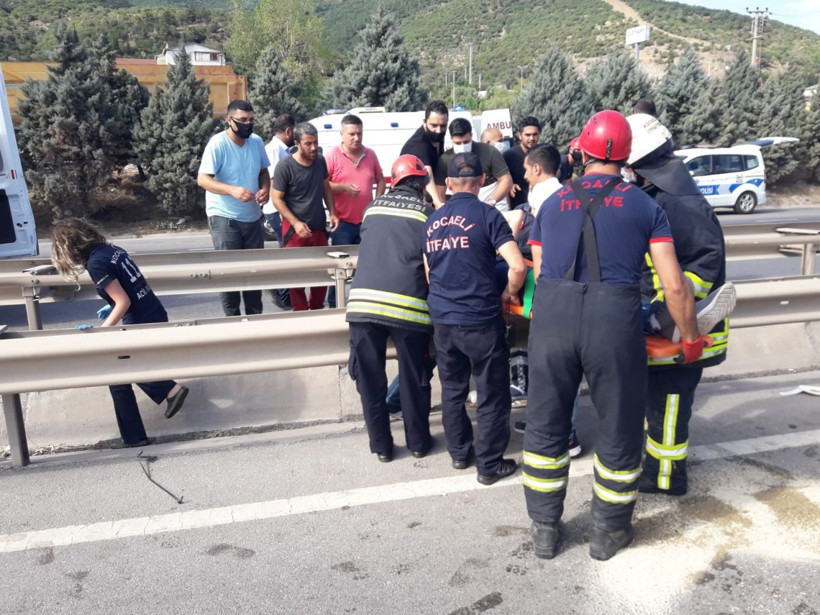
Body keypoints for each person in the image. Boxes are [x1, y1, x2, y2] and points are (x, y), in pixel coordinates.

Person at [523, 110, 706, 561]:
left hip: (552, 317)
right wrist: (690, 338)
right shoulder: (647, 207)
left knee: (546, 424)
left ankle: (545, 529)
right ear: (627, 157)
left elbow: (543, 270)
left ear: (581, 151)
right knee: (619, 428)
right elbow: (676, 285)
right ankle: (607, 533)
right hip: (614, 320)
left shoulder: (550, 204)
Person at [625, 113, 735, 496]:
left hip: (683, 327)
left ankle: (667, 478)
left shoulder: (681, 205)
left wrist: (661, 313)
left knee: (669, 407)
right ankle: (657, 464)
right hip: (667, 324)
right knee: (657, 405)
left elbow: (702, 269)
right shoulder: (663, 196)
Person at [424, 152, 527, 485]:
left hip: (443, 318)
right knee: (491, 392)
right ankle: (489, 464)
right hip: (481, 318)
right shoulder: (488, 216)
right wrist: (508, 294)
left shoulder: (432, 221)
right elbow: (517, 266)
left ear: (449, 185)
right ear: (484, 181)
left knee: (452, 390)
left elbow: (429, 273)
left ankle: (459, 453)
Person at [50, 219, 189, 448]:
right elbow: (131, 286)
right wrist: (112, 307)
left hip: (139, 320)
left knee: (119, 368)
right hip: (152, 311)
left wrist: (104, 331)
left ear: (69, 249)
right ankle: (134, 437)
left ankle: (171, 390)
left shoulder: (96, 264)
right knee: (116, 377)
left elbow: (122, 301)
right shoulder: (111, 250)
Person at [346, 154, 434, 462]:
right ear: (422, 185)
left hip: (363, 306)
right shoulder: (427, 213)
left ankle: (382, 447)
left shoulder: (371, 209)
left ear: (393, 183)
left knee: (370, 382)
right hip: (408, 308)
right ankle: (419, 443)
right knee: (414, 380)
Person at [508, 144, 583, 458]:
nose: (524, 175)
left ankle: (565, 435)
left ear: (537, 169)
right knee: (557, 366)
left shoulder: (542, 198)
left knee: (555, 367)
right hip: (567, 288)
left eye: (526, 169)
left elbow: (540, 253)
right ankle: (556, 427)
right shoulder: (569, 195)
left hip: (551, 292)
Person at [198, 99, 271, 317]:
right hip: (224, 217)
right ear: (229, 120)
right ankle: (232, 321)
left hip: (252, 217)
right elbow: (203, 179)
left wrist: (265, 189)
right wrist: (232, 190)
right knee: (228, 273)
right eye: (243, 120)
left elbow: (263, 172)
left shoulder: (256, 141)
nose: (248, 124)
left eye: (251, 120)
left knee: (253, 271)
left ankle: (254, 319)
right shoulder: (217, 143)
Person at [272, 122, 339, 311]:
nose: (313, 147)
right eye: (308, 143)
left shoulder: (320, 161)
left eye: (315, 143)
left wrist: (332, 212)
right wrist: (295, 222)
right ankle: (301, 315)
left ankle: (317, 310)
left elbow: (326, 187)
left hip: (318, 228)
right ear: (297, 143)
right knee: (297, 277)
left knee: (322, 276)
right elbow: (276, 199)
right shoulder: (285, 166)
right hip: (294, 231)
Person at [325, 114, 386, 307]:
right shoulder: (333, 156)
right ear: (341, 134)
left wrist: (377, 203)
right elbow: (323, 184)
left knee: (365, 266)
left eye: (359, 133)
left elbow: (381, 179)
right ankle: (335, 305)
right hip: (342, 223)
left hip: (366, 223)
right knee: (339, 267)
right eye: (351, 134)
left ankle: (360, 303)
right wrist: (343, 188)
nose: (356, 138)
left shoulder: (370, 155)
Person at [436, 118, 513, 211]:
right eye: (458, 143)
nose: (462, 146)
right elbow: (440, 193)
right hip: (462, 207)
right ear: (451, 140)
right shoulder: (445, 159)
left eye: (466, 142)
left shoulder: (489, 151)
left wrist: (492, 201)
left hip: (494, 204)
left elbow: (506, 180)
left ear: (471, 136)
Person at [263, 113, 296, 310]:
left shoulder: (280, 149)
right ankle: (282, 293)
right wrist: (284, 210)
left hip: (278, 209)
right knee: (288, 252)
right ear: (288, 131)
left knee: (288, 250)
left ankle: (283, 291)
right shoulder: (275, 150)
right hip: (277, 210)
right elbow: (275, 182)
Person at [400, 100, 449, 208]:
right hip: (409, 201)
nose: (438, 130)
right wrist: (438, 204)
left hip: (423, 198)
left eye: (443, 126)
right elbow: (428, 175)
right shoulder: (419, 144)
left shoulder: (437, 137)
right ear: (424, 122)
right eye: (434, 125)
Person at [504, 116, 541, 209]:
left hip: (540, 206)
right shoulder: (509, 156)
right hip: (518, 208)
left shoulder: (543, 155)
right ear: (520, 135)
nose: (532, 138)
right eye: (527, 135)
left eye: (535, 134)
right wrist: (509, 185)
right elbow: (500, 180)